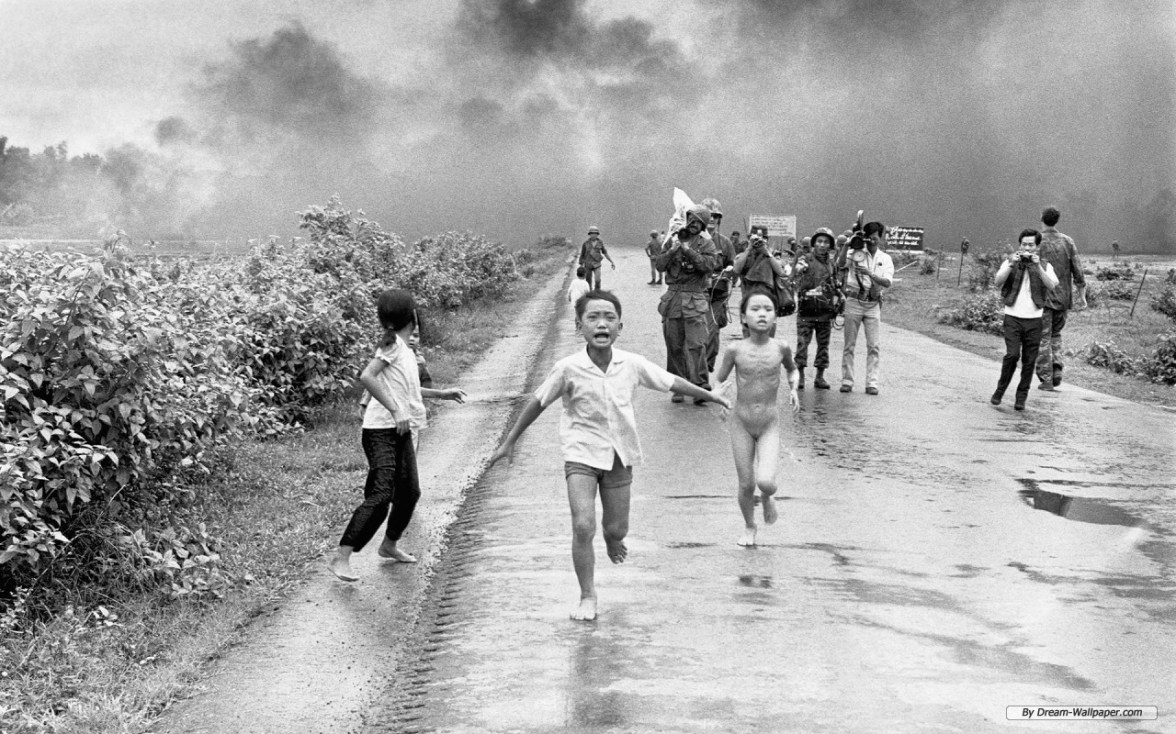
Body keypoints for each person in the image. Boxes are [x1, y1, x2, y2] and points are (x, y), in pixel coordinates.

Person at [488, 290, 729, 621]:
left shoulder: (631, 364)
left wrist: (711, 396)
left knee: (616, 529)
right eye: (592, 318)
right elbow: (538, 401)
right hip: (581, 454)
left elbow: (671, 381)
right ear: (579, 325)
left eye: (609, 318)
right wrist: (510, 441)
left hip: (619, 456)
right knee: (582, 524)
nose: (601, 324)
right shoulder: (568, 368)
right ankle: (587, 595)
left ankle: (612, 537)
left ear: (620, 326)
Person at [330, 290, 467, 582]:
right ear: (411, 316)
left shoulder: (405, 351)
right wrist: (394, 410)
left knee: (410, 493)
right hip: (380, 431)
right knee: (381, 496)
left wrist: (441, 394)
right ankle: (341, 557)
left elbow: (408, 389)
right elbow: (367, 376)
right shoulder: (392, 347)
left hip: (400, 429)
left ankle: (389, 545)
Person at [715, 287, 800, 547]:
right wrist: (718, 392)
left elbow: (792, 370)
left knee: (765, 481)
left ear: (775, 317)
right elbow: (718, 377)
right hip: (740, 422)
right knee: (746, 483)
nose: (761, 314)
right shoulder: (735, 349)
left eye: (768, 309)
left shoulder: (781, 347)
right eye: (755, 309)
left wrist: (794, 388)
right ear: (743, 317)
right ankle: (750, 527)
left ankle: (767, 496)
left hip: (768, 424)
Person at [655, 205, 720, 404]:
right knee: (674, 344)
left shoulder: (706, 244)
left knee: (696, 344)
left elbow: (708, 267)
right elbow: (660, 265)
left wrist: (688, 250)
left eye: (698, 222)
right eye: (691, 220)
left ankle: (700, 386)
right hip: (673, 298)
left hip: (695, 298)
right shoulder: (673, 239)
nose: (693, 225)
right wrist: (674, 248)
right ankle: (678, 386)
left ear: (703, 225)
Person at [991, 229, 1059, 411]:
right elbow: (997, 281)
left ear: (1037, 247)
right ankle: (1000, 390)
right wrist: (1012, 264)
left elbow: (1052, 285)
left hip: (1034, 319)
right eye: (1024, 244)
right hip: (1012, 316)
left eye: (1031, 245)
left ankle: (1021, 397)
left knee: (1029, 361)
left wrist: (1037, 267)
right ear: (1019, 244)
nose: (1027, 248)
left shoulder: (1044, 265)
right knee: (1012, 355)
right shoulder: (1010, 261)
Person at [1035, 207, 1087, 391]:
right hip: (1063, 298)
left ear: (1041, 218)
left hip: (1042, 298)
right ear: (1057, 220)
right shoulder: (1068, 242)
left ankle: (1046, 378)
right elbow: (1078, 270)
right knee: (1056, 334)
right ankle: (1057, 366)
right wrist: (1082, 296)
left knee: (1043, 337)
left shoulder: (1036, 242)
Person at [840, 222, 894, 395]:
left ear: (880, 238)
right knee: (849, 345)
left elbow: (887, 282)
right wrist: (848, 244)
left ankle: (872, 382)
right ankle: (847, 380)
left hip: (873, 303)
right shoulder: (855, 252)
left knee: (873, 346)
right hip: (854, 301)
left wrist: (870, 274)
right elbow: (840, 265)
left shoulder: (885, 258)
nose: (871, 240)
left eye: (875, 237)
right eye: (868, 237)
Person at [793, 227, 842, 389]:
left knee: (823, 346)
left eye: (826, 242)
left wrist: (840, 296)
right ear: (814, 243)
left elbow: (835, 284)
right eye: (819, 241)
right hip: (806, 311)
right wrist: (800, 269)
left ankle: (820, 377)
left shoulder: (831, 264)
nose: (822, 245)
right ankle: (800, 376)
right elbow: (796, 272)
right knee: (802, 345)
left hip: (825, 312)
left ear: (830, 245)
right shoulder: (805, 259)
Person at [702, 198, 736, 374]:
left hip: (718, 295)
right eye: (708, 215)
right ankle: (690, 373)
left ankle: (704, 371)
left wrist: (729, 272)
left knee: (712, 332)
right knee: (692, 335)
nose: (712, 219)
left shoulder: (725, 243)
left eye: (715, 216)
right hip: (696, 293)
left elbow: (734, 266)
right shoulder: (693, 240)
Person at [732, 229, 788, 337]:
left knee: (769, 335)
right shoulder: (743, 255)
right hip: (748, 300)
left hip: (768, 301)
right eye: (756, 238)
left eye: (763, 238)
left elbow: (781, 272)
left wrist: (766, 252)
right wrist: (749, 248)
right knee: (748, 335)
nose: (759, 241)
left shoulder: (773, 255)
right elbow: (736, 270)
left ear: (767, 239)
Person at [579, 226, 615, 290]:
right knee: (588, 281)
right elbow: (582, 255)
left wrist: (611, 262)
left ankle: (597, 292)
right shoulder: (585, 243)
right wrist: (581, 265)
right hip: (588, 265)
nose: (593, 235)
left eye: (595, 233)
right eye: (592, 233)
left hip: (597, 264)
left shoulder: (600, 243)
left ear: (597, 234)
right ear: (589, 234)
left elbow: (605, 252)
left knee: (597, 279)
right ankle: (589, 293)